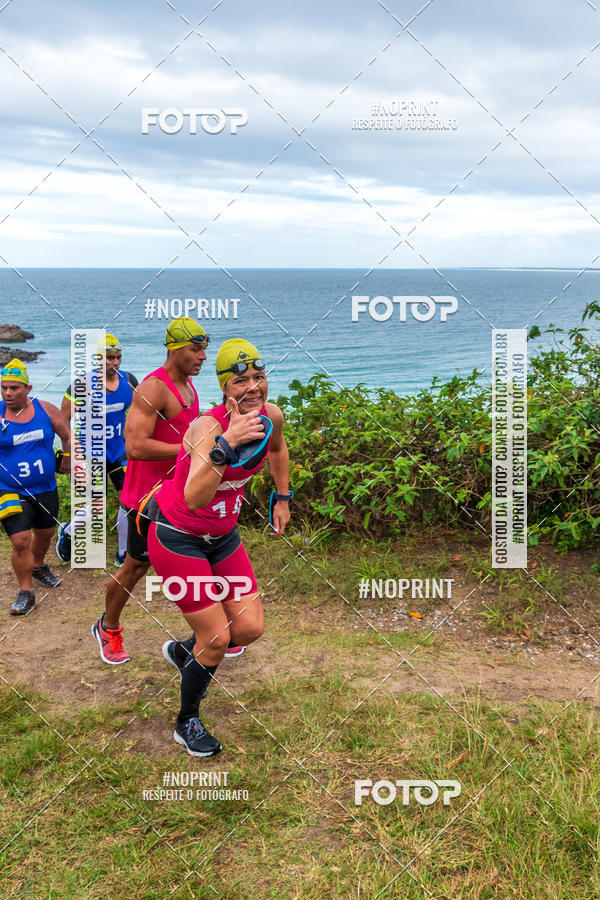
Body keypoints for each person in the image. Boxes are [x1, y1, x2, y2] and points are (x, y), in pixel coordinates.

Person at [146, 338, 292, 756]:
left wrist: (283, 497)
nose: (253, 388)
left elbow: (278, 450)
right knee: (216, 638)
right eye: (241, 381)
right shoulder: (205, 429)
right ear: (225, 390)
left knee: (247, 629)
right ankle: (185, 721)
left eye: (259, 378)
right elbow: (194, 495)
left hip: (223, 537)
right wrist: (225, 444)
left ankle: (182, 651)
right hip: (177, 537)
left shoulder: (272, 417)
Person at [91, 318, 207, 665]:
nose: (202, 356)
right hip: (144, 500)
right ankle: (107, 626)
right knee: (135, 567)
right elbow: (135, 446)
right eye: (195, 349)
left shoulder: (188, 385)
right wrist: (191, 448)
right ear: (174, 349)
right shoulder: (153, 388)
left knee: (201, 562)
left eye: (203, 350)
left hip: (179, 495)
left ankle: (210, 635)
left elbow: (188, 436)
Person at [56, 333, 138, 567]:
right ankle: (68, 532)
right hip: (92, 453)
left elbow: (141, 412)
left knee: (127, 500)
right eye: (109, 357)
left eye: (118, 357)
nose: (115, 362)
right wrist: (73, 454)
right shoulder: (82, 384)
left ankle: (123, 553)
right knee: (97, 506)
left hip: (119, 451)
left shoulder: (129, 380)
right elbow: (63, 422)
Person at [0, 358, 71, 615]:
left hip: (45, 487)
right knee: (20, 540)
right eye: (4, 387)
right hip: (8, 489)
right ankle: (26, 592)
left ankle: (39, 566)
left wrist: (67, 457)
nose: (8, 393)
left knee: (45, 533)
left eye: (14, 388)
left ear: (28, 389)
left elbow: (66, 434)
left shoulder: (46, 410)